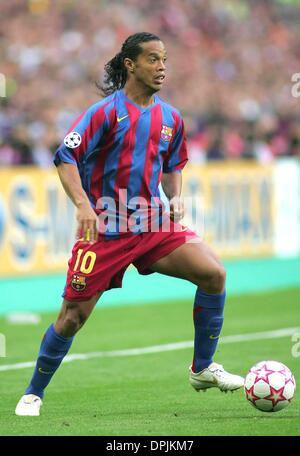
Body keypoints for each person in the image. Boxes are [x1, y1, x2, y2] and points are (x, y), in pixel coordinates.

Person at [15, 32, 244, 416]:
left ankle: (202, 368)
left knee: (214, 274)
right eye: (153, 59)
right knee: (72, 318)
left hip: (152, 224)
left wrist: (176, 197)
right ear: (130, 64)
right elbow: (65, 157)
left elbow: (173, 166)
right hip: (104, 230)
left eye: (165, 60)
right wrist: (83, 205)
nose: (162, 67)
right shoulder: (105, 112)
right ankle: (33, 393)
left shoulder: (171, 118)